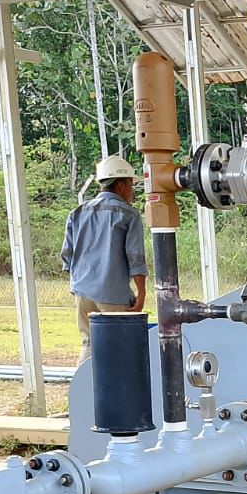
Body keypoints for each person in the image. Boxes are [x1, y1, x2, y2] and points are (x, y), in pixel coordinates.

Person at [63, 155, 148, 362]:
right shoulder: (129, 215)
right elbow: (135, 257)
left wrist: (80, 283)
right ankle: (118, 384)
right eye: (131, 185)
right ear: (121, 184)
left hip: (82, 292)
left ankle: (84, 382)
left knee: (89, 343)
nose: (132, 191)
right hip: (113, 295)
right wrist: (141, 292)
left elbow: (67, 255)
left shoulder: (77, 212)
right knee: (119, 347)